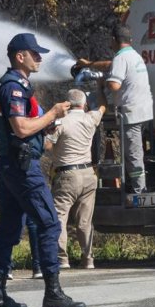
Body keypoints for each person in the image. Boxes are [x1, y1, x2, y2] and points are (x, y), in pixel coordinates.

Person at [0, 32, 86, 307]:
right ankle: (53, 293)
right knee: (50, 224)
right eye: (35, 53)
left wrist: (47, 125)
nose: (40, 57)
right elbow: (20, 128)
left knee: (8, 229)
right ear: (20, 56)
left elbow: (28, 126)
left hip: (10, 165)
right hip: (22, 167)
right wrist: (52, 115)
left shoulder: (18, 86)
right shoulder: (14, 87)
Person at [76, 25, 153, 193]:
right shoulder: (133, 55)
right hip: (144, 112)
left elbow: (114, 85)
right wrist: (90, 64)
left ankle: (140, 192)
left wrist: (102, 82)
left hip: (131, 114)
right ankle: (137, 186)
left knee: (133, 154)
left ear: (113, 40)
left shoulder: (120, 59)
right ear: (129, 40)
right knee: (135, 152)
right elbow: (111, 65)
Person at [46, 87, 107, 269]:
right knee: (84, 221)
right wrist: (101, 84)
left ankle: (62, 259)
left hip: (67, 175)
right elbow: (103, 107)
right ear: (85, 104)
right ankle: (88, 259)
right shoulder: (91, 118)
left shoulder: (60, 122)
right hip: (89, 175)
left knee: (59, 218)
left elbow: (48, 145)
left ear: (67, 104)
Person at [0, 106, 43, 280]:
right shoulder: (36, 108)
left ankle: (6, 268)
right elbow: (47, 140)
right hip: (28, 168)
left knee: (8, 220)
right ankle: (38, 266)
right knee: (33, 219)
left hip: (6, 168)